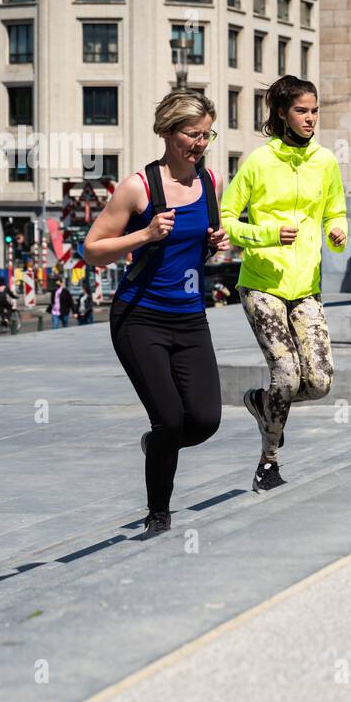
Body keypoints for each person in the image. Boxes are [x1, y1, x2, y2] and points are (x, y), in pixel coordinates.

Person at [81, 89, 229, 538]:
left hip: (189, 316)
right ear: (168, 131)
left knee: (204, 420)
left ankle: (156, 446)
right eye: (192, 134)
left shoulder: (211, 183)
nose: (200, 143)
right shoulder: (138, 187)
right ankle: (158, 513)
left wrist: (215, 245)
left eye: (207, 135)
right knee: (168, 417)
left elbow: (196, 246)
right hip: (139, 318)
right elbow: (92, 250)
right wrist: (144, 234)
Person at [221, 75, 348, 492]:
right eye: (302, 111)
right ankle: (268, 462)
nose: (311, 118)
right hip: (261, 283)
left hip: (305, 287)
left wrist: (337, 230)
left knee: (320, 382)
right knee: (287, 376)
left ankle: (261, 403)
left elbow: (335, 210)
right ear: (282, 113)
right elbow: (227, 219)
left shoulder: (325, 161)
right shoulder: (258, 162)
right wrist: (267, 236)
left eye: (315, 111)